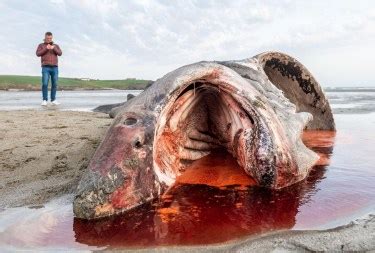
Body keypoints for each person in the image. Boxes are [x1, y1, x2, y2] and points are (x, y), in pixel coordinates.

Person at [36, 32, 62, 106]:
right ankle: (44, 100)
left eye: (50, 38)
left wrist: (54, 49)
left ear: (52, 38)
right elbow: (38, 54)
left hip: (55, 67)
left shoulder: (56, 45)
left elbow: (60, 53)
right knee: (45, 84)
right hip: (45, 67)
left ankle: (53, 100)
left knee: (55, 84)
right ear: (45, 37)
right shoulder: (41, 45)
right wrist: (46, 48)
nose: (49, 39)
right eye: (47, 38)